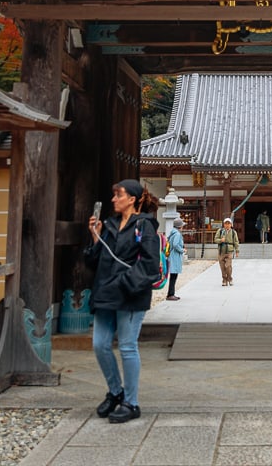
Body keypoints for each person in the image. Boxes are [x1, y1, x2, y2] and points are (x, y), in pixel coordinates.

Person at [84, 178, 159, 423]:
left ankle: (131, 402)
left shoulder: (145, 226)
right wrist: (96, 238)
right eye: (114, 195)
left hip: (129, 294)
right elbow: (95, 261)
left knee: (127, 346)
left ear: (133, 199)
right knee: (100, 344)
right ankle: (115, 391)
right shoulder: (110, 225)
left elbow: (149, 265)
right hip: (105, 294)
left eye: (119, 195)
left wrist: (124, 284)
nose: (114, 199)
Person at [214, 217, 239, 286]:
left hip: (229, 251)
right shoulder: (220, 231)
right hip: (221, 251)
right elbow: (215, 239)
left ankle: (230, 278)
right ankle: (224, 280)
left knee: (228, 266)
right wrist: (220, 240)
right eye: (226, 223)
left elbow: (236, 242)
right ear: (223, 224)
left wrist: (237, 251)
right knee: (222, 267)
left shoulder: (233, 232)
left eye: (229, 223)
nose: (227, 225)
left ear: (231, 224)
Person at [165, 217, 186, 300]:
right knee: (174, 276)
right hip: (175, 257)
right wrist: (182, 250)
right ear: (179, 226)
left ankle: (171, 294)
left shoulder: (173, 233)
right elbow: (175, 244)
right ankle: (170, 294)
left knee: (173, 276)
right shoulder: (177, 234)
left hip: (171, 256)